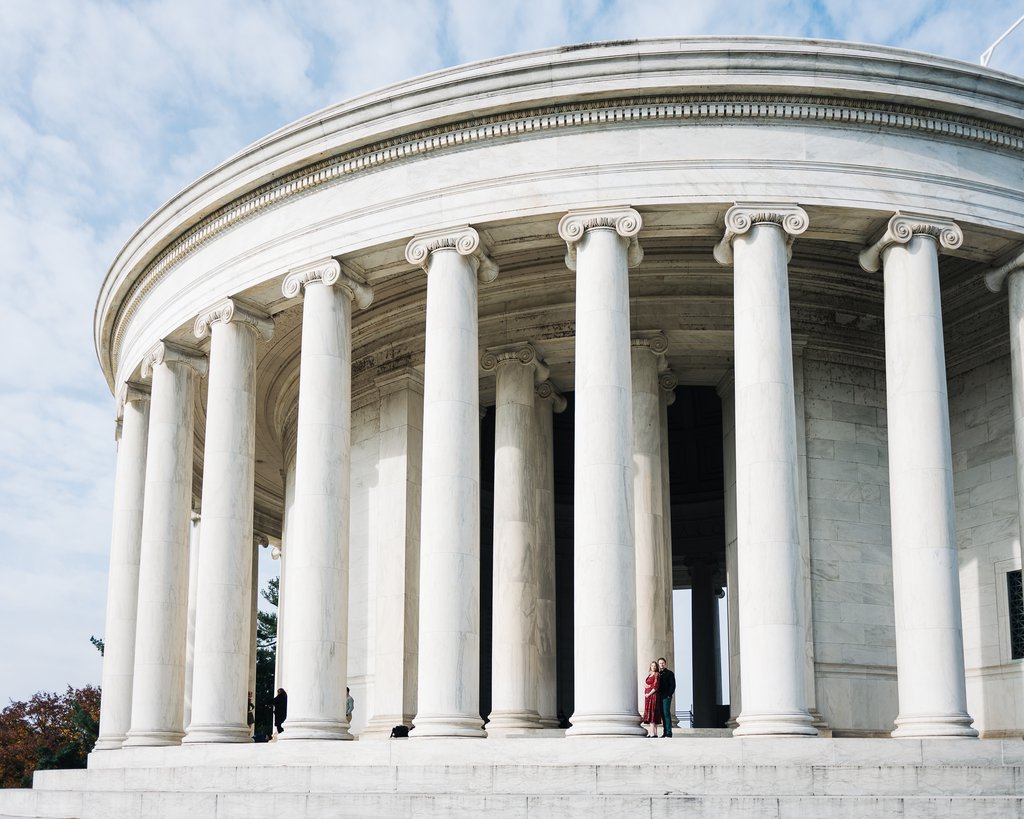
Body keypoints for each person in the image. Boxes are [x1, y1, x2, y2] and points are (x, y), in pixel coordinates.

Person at [641, 661, 661, 737]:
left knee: (652, 714)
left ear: (656, 667)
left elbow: (655, 686)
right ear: (650, 667)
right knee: (650, 713)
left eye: (655, 666)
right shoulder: (650, 675)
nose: (653, 667)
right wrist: (646, 686)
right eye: (652, 666)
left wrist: (649, 693)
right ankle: (654, 733)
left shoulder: (657, 674)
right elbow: (648, 684)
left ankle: (652, 733)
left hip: (653, 696)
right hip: (648, 697)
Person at [657, 657, 676, 737]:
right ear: (658, 664)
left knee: (666, 713)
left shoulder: (670, 673)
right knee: (662, 714)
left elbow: (673, 685)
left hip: (666, 696)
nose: (661, 664)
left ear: (665, 664)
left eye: (663, 663)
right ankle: (665, 732)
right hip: (659, 696)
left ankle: (668, 732)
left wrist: (669, 695)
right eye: (660, 663)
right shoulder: (658, 673)